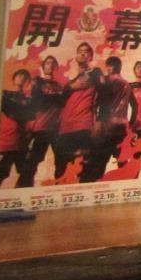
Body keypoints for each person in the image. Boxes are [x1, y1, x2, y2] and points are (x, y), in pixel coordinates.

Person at [54, 42, 102, 181]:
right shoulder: (70, 80)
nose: (82, 53)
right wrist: (70, 87)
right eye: (80, 51)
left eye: (86, 51)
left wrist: (99, 120)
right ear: (76, 56)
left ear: (91, 56)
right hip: (65, 126)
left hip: (83, 124)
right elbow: (60, 100)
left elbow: (104, 95)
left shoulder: (95, 73)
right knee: (61, 168)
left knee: (83, 168)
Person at [19, 55, 63, 187]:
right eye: (48, 63)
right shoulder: (37, 81)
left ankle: (61, 186)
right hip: (41, 127)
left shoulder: (59, 86)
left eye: (53, 63)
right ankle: (23, 188)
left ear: (56, 67)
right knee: (33, 160)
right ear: (43, 66)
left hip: (57, 129)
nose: (50, 65)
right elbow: (36, 101)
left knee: (62, 159)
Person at [89, 56, 132, 180]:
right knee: (123, 162)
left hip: (107, 126)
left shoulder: (106, 81)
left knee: (99, 162)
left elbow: (97, 102)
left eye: (107, 66)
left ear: (111, 67)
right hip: (122, 127)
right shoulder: (127, 84)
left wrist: (96, 121)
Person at [0, 69, 31, 188]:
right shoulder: (4, 94)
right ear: (13, 78)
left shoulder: (29, 100)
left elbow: (30, 117)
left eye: (25, 77)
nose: (22, 78)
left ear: (28, 82)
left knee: (27, 175)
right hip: (4, 143)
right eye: (19, 75)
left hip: (22, 144)